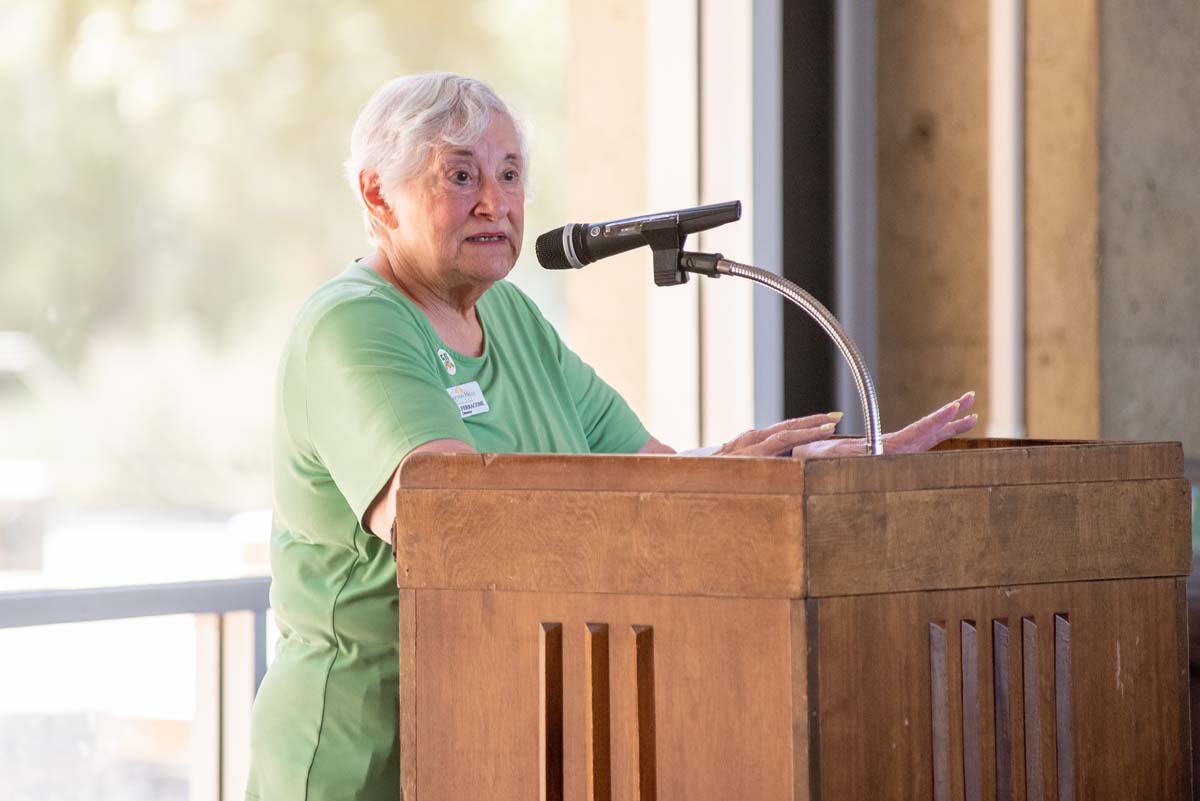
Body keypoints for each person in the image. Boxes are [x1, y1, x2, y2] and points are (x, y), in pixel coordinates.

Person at [245, 73, 976, 801]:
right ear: (378, 194)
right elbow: (454, 527)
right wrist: (715, 483)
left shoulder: (517, 323)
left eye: (509, 174)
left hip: (505, 746)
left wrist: (781, 478)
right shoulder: (354, 324)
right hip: (365, 753)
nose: (495, 201)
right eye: (460, 176)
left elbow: (648, 478)